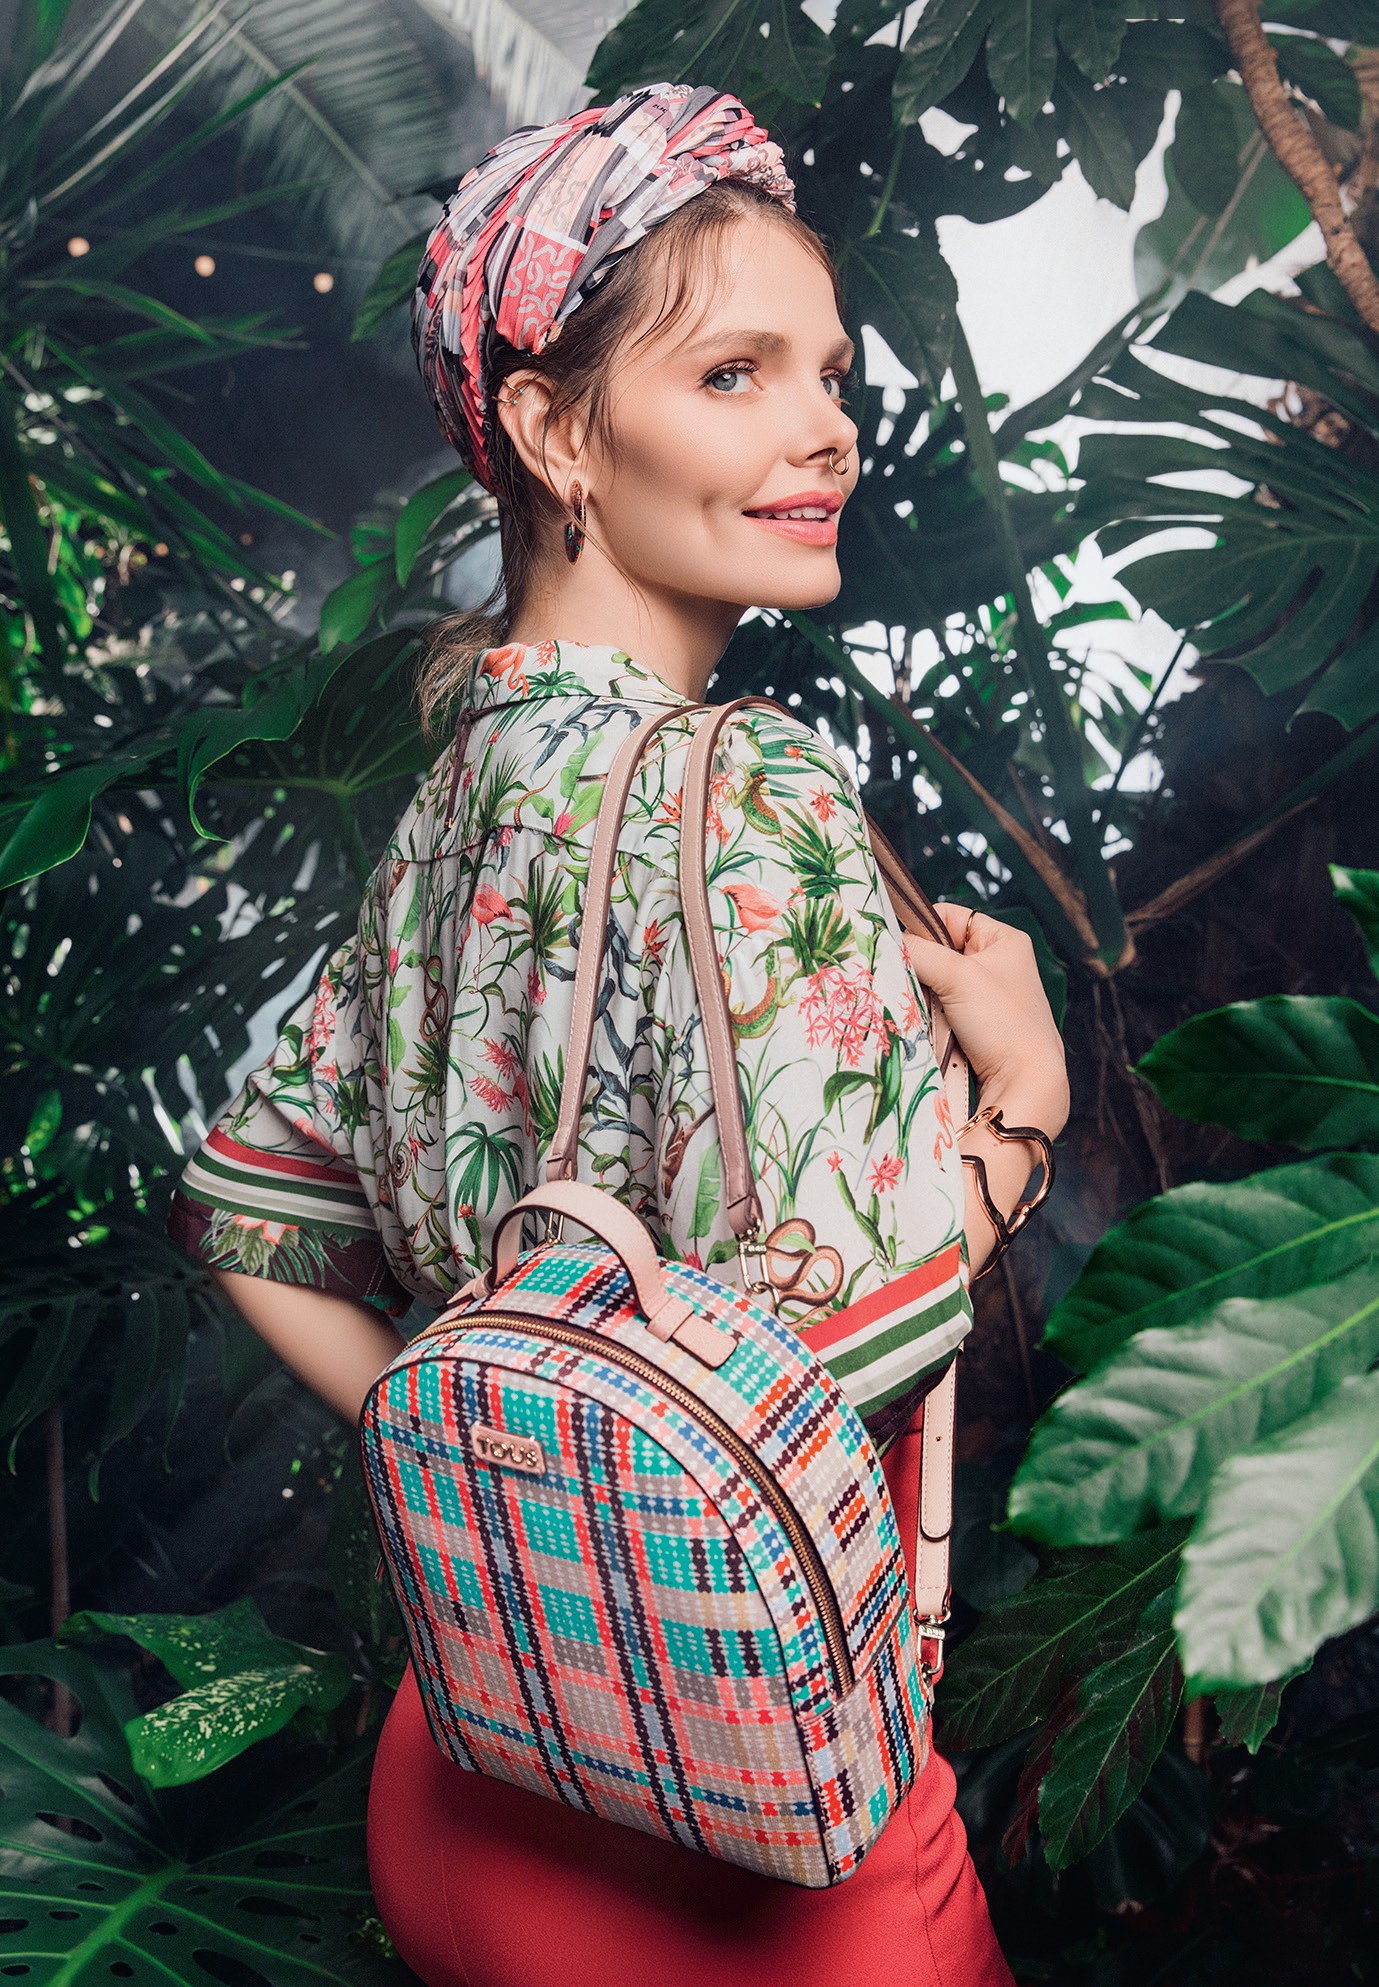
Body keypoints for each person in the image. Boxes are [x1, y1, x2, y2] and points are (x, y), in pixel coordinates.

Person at [168, 82, 1068, 1987]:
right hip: (749, 1840)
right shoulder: (755, 792)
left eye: (828, 373)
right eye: (736, 373)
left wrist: (497, 1483)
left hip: (466, 1772)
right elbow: (840, 1339)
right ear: (553, 430)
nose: (827, 427)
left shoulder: (454, 799)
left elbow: (248, 1214)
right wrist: (1028, 1095)